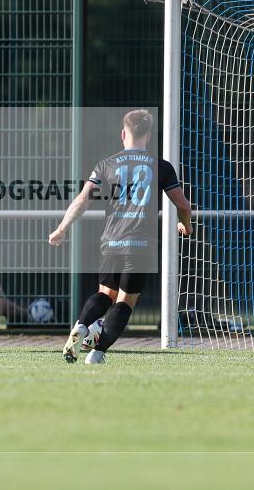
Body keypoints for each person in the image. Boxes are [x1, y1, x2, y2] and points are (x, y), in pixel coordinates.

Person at [48, 109, 193, 364]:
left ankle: (82, 326)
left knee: (105, 294)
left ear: (123, 133)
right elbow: (183, 204)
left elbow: (83, 199)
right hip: (141, 245)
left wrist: (62, 228)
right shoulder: (161, 166)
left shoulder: (106, 164)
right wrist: (185, 225)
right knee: (125, 302)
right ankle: (97, 353)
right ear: (148, 135)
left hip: (111, 243)